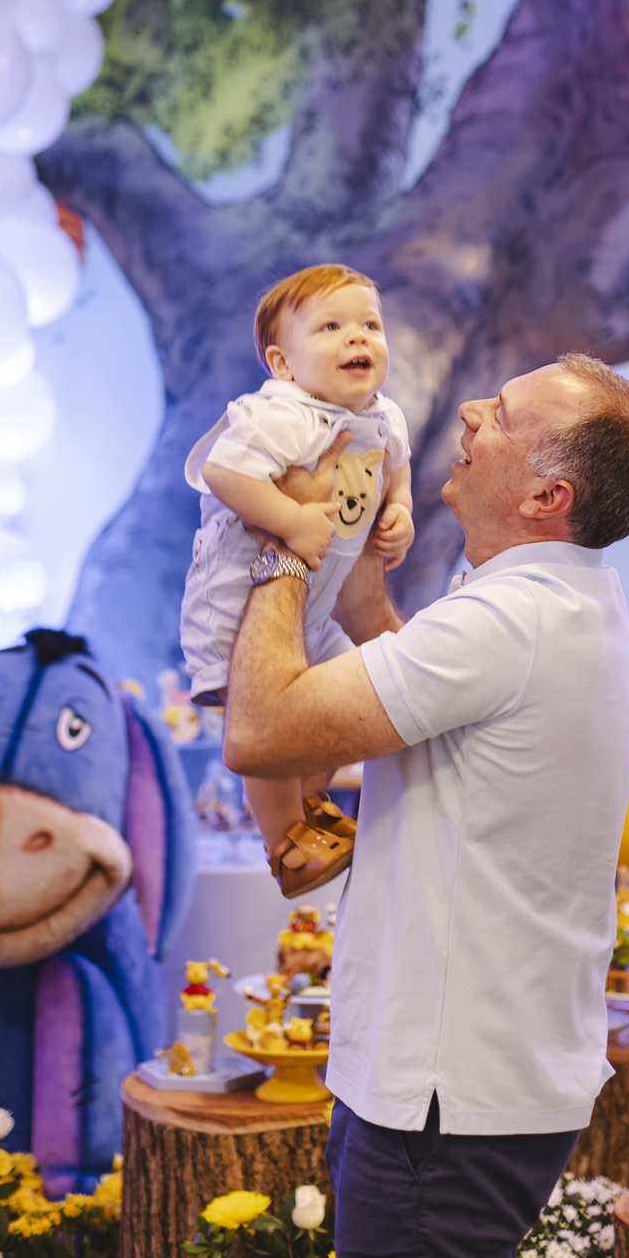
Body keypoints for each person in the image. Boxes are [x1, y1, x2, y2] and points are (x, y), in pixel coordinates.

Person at [224, 353, 629, 1258]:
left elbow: (260, 731)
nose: (471, 412)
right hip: (466, 1084)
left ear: (548, 497)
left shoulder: (511, 618)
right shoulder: (559, 594)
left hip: (446, 1097)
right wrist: (363, 596)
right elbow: (439, 703)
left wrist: (285, 542)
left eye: (505, 415)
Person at [180, 263, 414, 897]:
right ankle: (284, 842)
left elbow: (396, 468)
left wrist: (400, 511)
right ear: (283, 364)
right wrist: (290, 520)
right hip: (236, 611)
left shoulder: (383, 415)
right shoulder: (279, 415)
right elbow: (225, 473)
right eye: (331, 327)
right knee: (269, 735)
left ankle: (311, 810)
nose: (357, 338)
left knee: (335, 706)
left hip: (310, 611)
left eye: (370, 325)